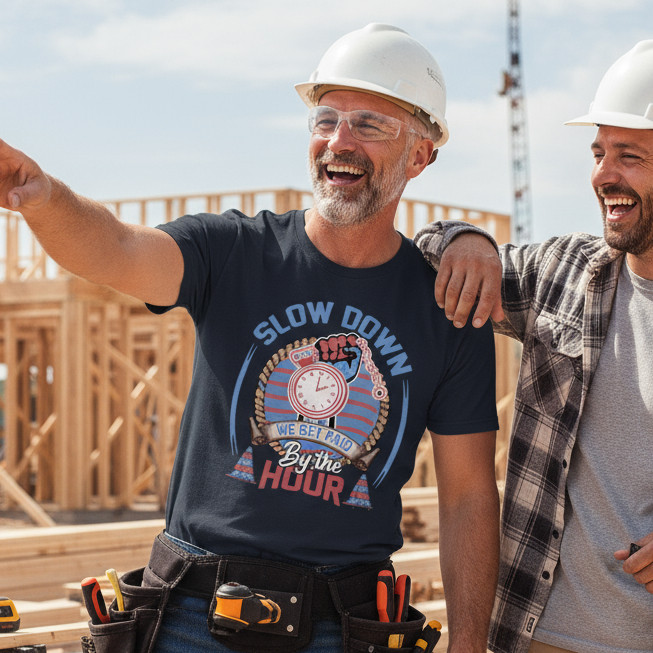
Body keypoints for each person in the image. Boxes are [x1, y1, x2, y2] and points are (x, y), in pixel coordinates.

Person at [0, 23, 500, 653]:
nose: (338, 140)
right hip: (192, 617)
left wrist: (471, 645)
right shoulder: (232, 250)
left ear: (421, 155)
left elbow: (466, 498)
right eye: (326, 118)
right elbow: (118, 250)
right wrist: (42, 199)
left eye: (369, 124)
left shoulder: (446, 305)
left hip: (345, 627)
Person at [415, 40, 653, 653]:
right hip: (538, 634)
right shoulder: (564, 274)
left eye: (630, 156)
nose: (604, 175)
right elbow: (426, 254)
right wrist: (466, 239)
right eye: (599, 153)